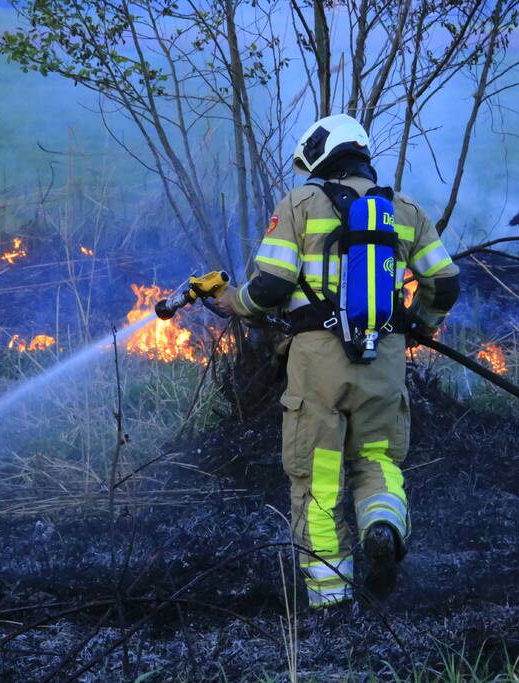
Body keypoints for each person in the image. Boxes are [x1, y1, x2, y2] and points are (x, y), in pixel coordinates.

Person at [216, 114, 460, 607]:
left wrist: (233, 301)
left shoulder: (301, 203)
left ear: (321, 156)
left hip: (318, 361)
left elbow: (270, 288)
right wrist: (419, 324)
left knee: (319, 477)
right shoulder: (405, 210)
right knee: (378, 461)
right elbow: (446, 283)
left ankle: (331, 601)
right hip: (385, 359)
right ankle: (384, 523)